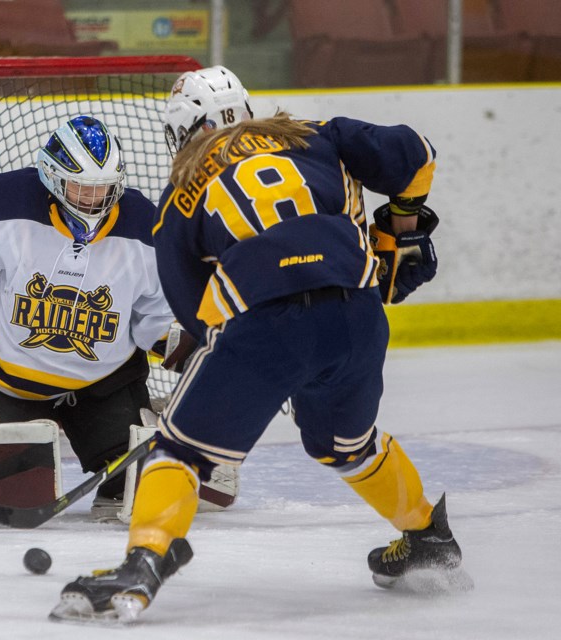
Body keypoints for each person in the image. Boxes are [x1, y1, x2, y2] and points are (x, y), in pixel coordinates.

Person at [51, 66, 464, 623]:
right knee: (346, 445)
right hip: (359, 318)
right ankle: (427, 537)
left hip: (269, 327)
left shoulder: (179, 197)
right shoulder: (317, 134)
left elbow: (198, 313)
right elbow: (416, 152)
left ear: (182, 131)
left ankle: (143, 562)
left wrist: (274, 364)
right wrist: (402, 228)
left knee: (177, 450)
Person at [0, 115, 174, 516]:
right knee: (0, 489)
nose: (94, 199)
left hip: (104, 387)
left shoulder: (145, 227)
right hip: (10, 383)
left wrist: (193, 346)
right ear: (53, 177)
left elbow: (159, 315)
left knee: (140, 488)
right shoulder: (8, 202)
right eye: (82, 187)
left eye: (104, 189)